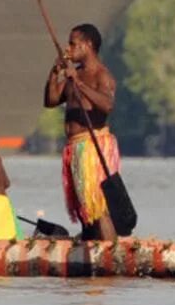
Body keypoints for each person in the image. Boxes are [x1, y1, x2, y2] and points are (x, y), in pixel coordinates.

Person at [43, 22, 121, 241]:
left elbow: (108, 105)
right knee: (82, 204)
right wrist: (55, 72)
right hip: (74, 146)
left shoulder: (101, 75)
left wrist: (78, 83)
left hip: (93, 146)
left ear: (87, 45)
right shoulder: (73, 74)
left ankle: (110, 252)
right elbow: (50, 101)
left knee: (97, 202)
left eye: (73, 43)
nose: (68, 48)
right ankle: (90, 243)